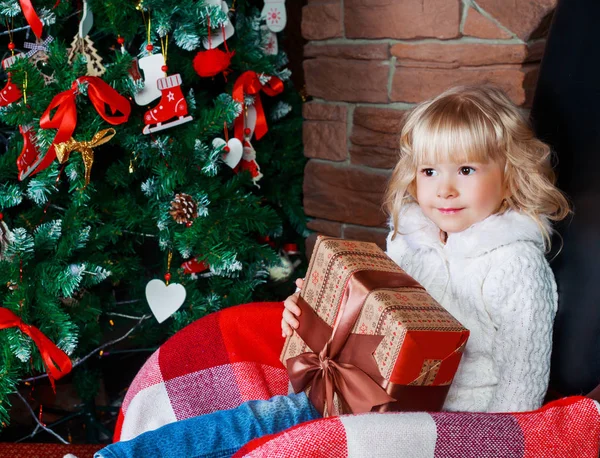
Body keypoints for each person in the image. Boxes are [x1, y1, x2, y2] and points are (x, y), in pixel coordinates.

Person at [96, 85, 571, 457]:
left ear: (508, 173)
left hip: (446, 426)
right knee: (259, 419)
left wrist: (477, 446)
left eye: (466, 170)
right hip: (364, 393)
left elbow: (522, 384)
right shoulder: (412, 242)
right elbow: (373, 323)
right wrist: (308, 318)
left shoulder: (515, 265)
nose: (444, 189)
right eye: (429, 172)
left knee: (286, 440)